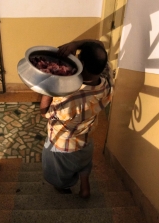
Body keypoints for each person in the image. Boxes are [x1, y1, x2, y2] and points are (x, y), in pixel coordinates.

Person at [40, 39, 114, 199]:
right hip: (85, 138)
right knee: (83, 161)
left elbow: (44, 111)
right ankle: (85, 185)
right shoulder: (106, 81)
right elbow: (99, 45)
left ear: (81, 64)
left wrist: (49, 87)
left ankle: (63, 187)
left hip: (62, 146)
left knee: (59, 171)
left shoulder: (67, 98)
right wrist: (77, 45)